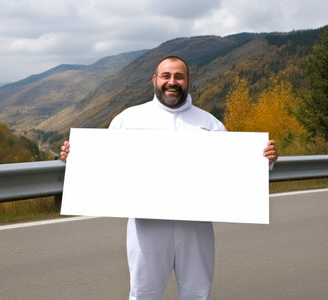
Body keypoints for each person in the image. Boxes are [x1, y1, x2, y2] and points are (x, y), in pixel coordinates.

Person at [60, 56, 278, 300]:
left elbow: (233, 173)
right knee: (144, 294)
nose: (172, 82)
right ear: (155, 80)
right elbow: (104, 166)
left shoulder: (210, 124)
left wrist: (263, 162)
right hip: (147, 227)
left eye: (179, 76)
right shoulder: (128, 120)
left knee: (198, 294)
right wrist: (77, 159)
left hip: (196, 227)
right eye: (166, 76)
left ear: (188, 81)